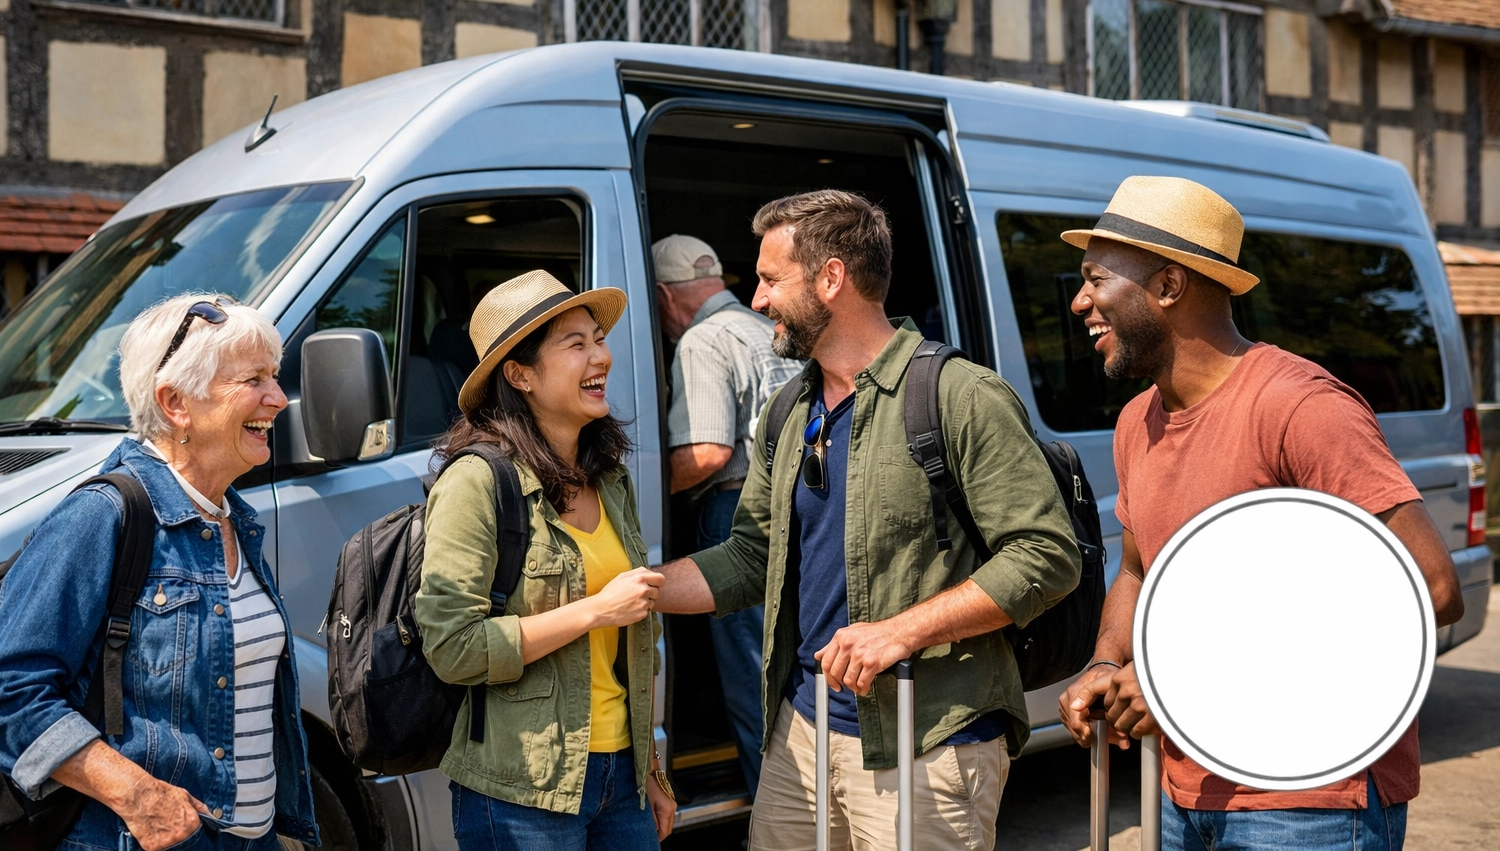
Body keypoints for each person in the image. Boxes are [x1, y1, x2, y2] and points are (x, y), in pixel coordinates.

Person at [653, 190, 1081, 851]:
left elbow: (1045, 555)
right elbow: (748, 557)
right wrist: (640, 590)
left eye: (770, 280)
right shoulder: (789, 409)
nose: (758, 300)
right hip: (800, 733)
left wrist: (900, 633)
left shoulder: (959, 394)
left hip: (929, 740)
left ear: (831, 280)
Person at [1055, 175, 1465, 851]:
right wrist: (1105, 662)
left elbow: (1432, 590)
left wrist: (1186, 681)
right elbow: (1136, 571)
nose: (1080, 302)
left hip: (1312, 800)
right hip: (1183, 788)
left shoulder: (1301, 407)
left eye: (1096, 279)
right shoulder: (1138, 421)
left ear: (1167, 285)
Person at [0, 294, 317, 851]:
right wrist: (140, 798)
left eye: (274, 377)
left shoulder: (234, 520)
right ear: (175, 402)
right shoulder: (101, 516)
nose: (278, 398)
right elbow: (6, 695)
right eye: (253, 379)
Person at [415, 269, 676, 850]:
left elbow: (636, 647)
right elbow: (452, 647)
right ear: (520, 374)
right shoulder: (476, 481)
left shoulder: (610, 478)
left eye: (598, 340)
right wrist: (594, 611)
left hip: (621, 782)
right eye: (575, 344)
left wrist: (650, 768)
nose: (600, 357)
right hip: (522, 792)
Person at [653, 233, 802, 793]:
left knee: (753, 679)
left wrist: (638, 487)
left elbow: (707, 453)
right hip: (795, 508)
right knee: (789, 671)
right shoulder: (770, 328)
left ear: (666, 296)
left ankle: (775, 815)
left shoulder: (702, 340)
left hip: (736, 514)